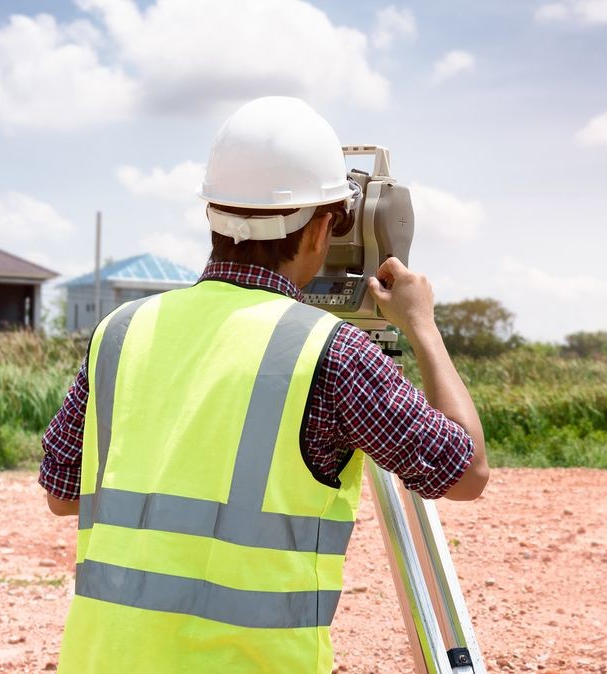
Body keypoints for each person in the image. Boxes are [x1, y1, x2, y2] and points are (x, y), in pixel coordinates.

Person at [38, 96, 489, 673]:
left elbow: (61, 494)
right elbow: (466, 472)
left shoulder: (121, 331)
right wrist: (422, 325)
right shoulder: (330, 351)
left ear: (214, 215)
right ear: (325, 224)